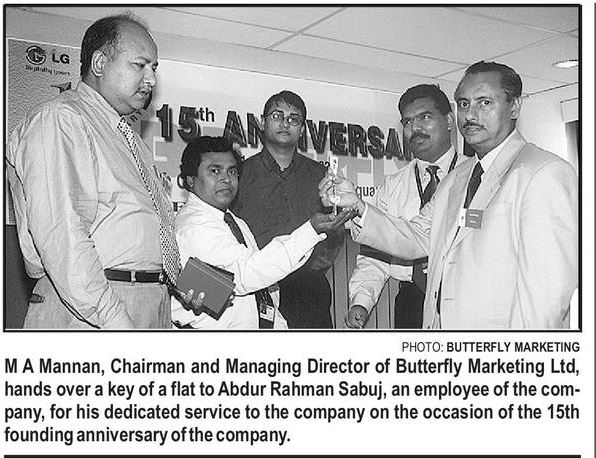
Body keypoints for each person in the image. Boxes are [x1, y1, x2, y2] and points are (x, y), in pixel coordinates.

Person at [321, 61, 578, 329]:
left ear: (514, 106)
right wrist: (358, 206)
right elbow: (417, 236)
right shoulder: (457, 179)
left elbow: (547, 295)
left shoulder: (544, 172)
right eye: (464, 104)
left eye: (485, 102)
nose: (470, 114)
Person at [6, 13, 183, 328]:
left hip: (148, 303)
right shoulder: (61, 119)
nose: (152, 80)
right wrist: (116, 321)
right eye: (140, 65)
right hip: (92, 311)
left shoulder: (130, 140)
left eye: (154, 68)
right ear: (100, 63)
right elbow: (63, 235)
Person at [171, 136, 354, 329]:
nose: (226, 179)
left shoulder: (235, 221)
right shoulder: (193, 226)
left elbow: (266, 292)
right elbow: (246, 275)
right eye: (214, 171)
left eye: (232, 171)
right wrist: (311, 231)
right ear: (191, 180)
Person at [346, 84, 468, 329]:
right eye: (408, 122)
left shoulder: (475, 175)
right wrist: (361, 302)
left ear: (448, 121)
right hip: (411, 303)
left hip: (465, 298)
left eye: (425, 117)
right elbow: (375, 254)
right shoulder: (392, 186)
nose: (415, 128)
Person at [232, 90, 344, 328]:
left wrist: (309, 269)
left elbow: (335, 232)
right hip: (258, 289)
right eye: (277, 116)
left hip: (309, 290)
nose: (285, 123)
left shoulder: (320, 175)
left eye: (294, 119)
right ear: (262, 122)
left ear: (302, 129)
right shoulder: (240, 174)